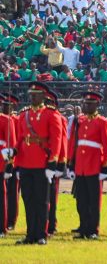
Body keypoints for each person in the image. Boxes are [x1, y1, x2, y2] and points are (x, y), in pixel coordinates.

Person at [10, 82, 63, 245]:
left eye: (36, 94)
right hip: (26, 163)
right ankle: (30, 233)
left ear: (43, 96)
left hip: (42, 163)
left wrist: (52, 162)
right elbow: (19, 139)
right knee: (28, 199)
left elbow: (56, 140)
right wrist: (14, 156)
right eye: (31, 94)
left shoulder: (51, 114)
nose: (32, 96)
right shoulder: (23, 115)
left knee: (42, 200)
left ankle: (41, 233)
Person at [66, 91, 107, 240]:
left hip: (94, 165)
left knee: (93, 200)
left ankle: (93, 229)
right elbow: (73, 143)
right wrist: (71, 164)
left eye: (89, 103)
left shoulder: (102, 122)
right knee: (81, 201)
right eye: (84, 103)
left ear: (97, 105)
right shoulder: (79, 121)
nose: (85, 105)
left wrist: (105, 165)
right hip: (80, 166)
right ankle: (83, 227)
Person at [44, 90, 67, 237]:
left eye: (49, 103)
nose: (46, 105)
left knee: (51, 195)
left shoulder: (59, 118)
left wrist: (61, 163)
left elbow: (62, 142)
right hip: (40, 161)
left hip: (53, 161)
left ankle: (51, 224)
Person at [0, 93, 18, 237]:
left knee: (3, 196)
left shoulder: (6, 120)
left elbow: (11, 145)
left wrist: (9, 165)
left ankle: (2, 227)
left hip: (1, 162)